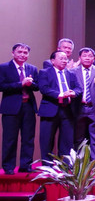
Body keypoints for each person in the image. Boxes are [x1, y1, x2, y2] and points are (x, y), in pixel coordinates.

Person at [0, 43, 39, 174]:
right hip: (11, 108)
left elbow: (37, 86)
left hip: (28, 106)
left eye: (25, 52)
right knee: (10, 138)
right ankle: (8, 166)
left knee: (28, 138)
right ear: (13, 53)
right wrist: (20, 84)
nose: (22, 55)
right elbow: (1, 86)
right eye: (20, 52)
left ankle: (25, 165)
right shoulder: (4, 67)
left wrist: (31, 83)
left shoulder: (32, 68)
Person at [38, 50, 81, 161]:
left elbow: (78, 88)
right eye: (61, 58)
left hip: (68, 110)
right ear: (53, 61)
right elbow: (44, 89)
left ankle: (66, 164)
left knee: (67, 140)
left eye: (65, 59)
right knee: (47, 139)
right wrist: (61, 95)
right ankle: (47, 164)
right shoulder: (44, 72)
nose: (64, 61)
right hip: (51, 109)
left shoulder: (70, 73)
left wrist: (74, 93)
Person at [71, 47, 95, 160]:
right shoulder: (73, 71)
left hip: (94, 108)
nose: (87, 58)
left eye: (90, 56)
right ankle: (79, 162)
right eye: (84, 56)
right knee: (78, 137)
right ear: (80, 58)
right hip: (79, 108)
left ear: (94, 58)